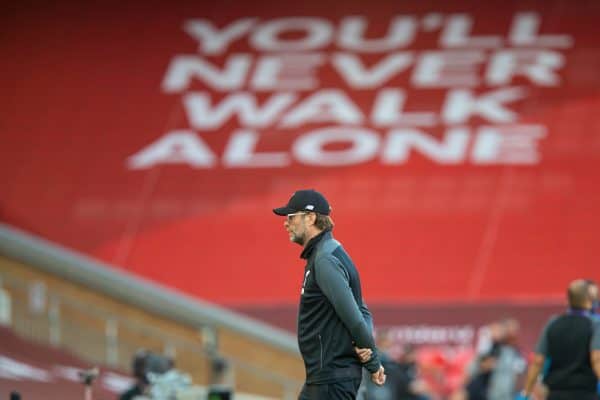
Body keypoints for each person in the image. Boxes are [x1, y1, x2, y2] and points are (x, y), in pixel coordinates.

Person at [273, 189, 386, 399]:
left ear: (310, 218)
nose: (286, 223)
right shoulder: (329, 252)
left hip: (330, 381)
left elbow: (356, 318)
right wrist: (368, 351)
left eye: (291, 216)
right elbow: (363, 310)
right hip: (326, 379)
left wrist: (373, 360)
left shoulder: (324, 259)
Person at [517, 279, 600, 400]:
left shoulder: (552, 323)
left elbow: (538, 361)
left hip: (555, 394)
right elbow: (596, 359)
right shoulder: (595, 324)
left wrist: (526, 393)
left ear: (568, 300)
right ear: (588, 301)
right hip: (585, 392)